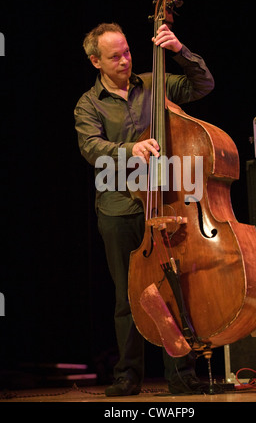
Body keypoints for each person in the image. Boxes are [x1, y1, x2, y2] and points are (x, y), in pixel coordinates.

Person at [74, 22, 215, 396]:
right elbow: (90, 148)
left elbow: (202, 86)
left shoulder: (155, 82)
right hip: (118, 207)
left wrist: (181, 51)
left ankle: (182, 374)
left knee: (174, 289)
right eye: (114, 56)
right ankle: (128, 375)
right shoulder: (88, 104)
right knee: (128, 295)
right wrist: (129, 150)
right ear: (95, 61)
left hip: (165, 204)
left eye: (127, 51)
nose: (125, 60)